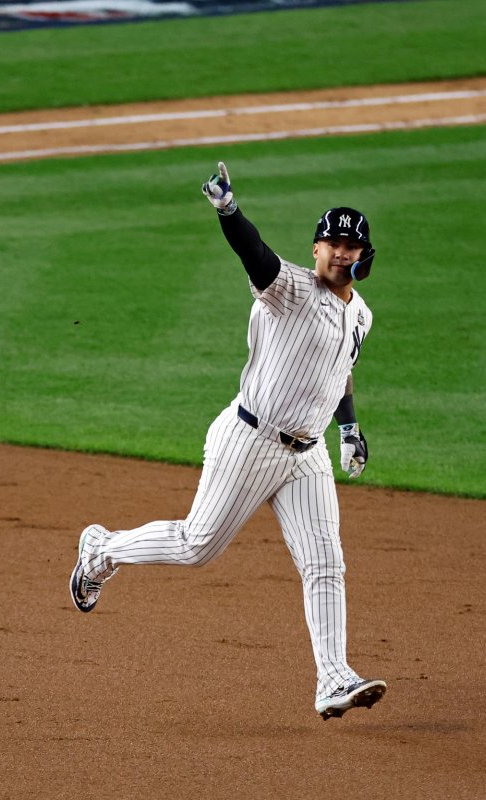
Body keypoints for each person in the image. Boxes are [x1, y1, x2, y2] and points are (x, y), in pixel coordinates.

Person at [70, 162, 386, 721]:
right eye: (331, 243)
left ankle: (333, 679)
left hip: (307, 456)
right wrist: (228, 210)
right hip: (251, 441)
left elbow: (339, 371)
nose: (340, 253)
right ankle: (100, 549)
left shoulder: (360, 313)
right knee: (198, 546)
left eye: (350, 245)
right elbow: (254, 252)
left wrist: (349, 427)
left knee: (325, 563)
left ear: (365, 255)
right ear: (315, 248)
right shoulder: (287, 288)